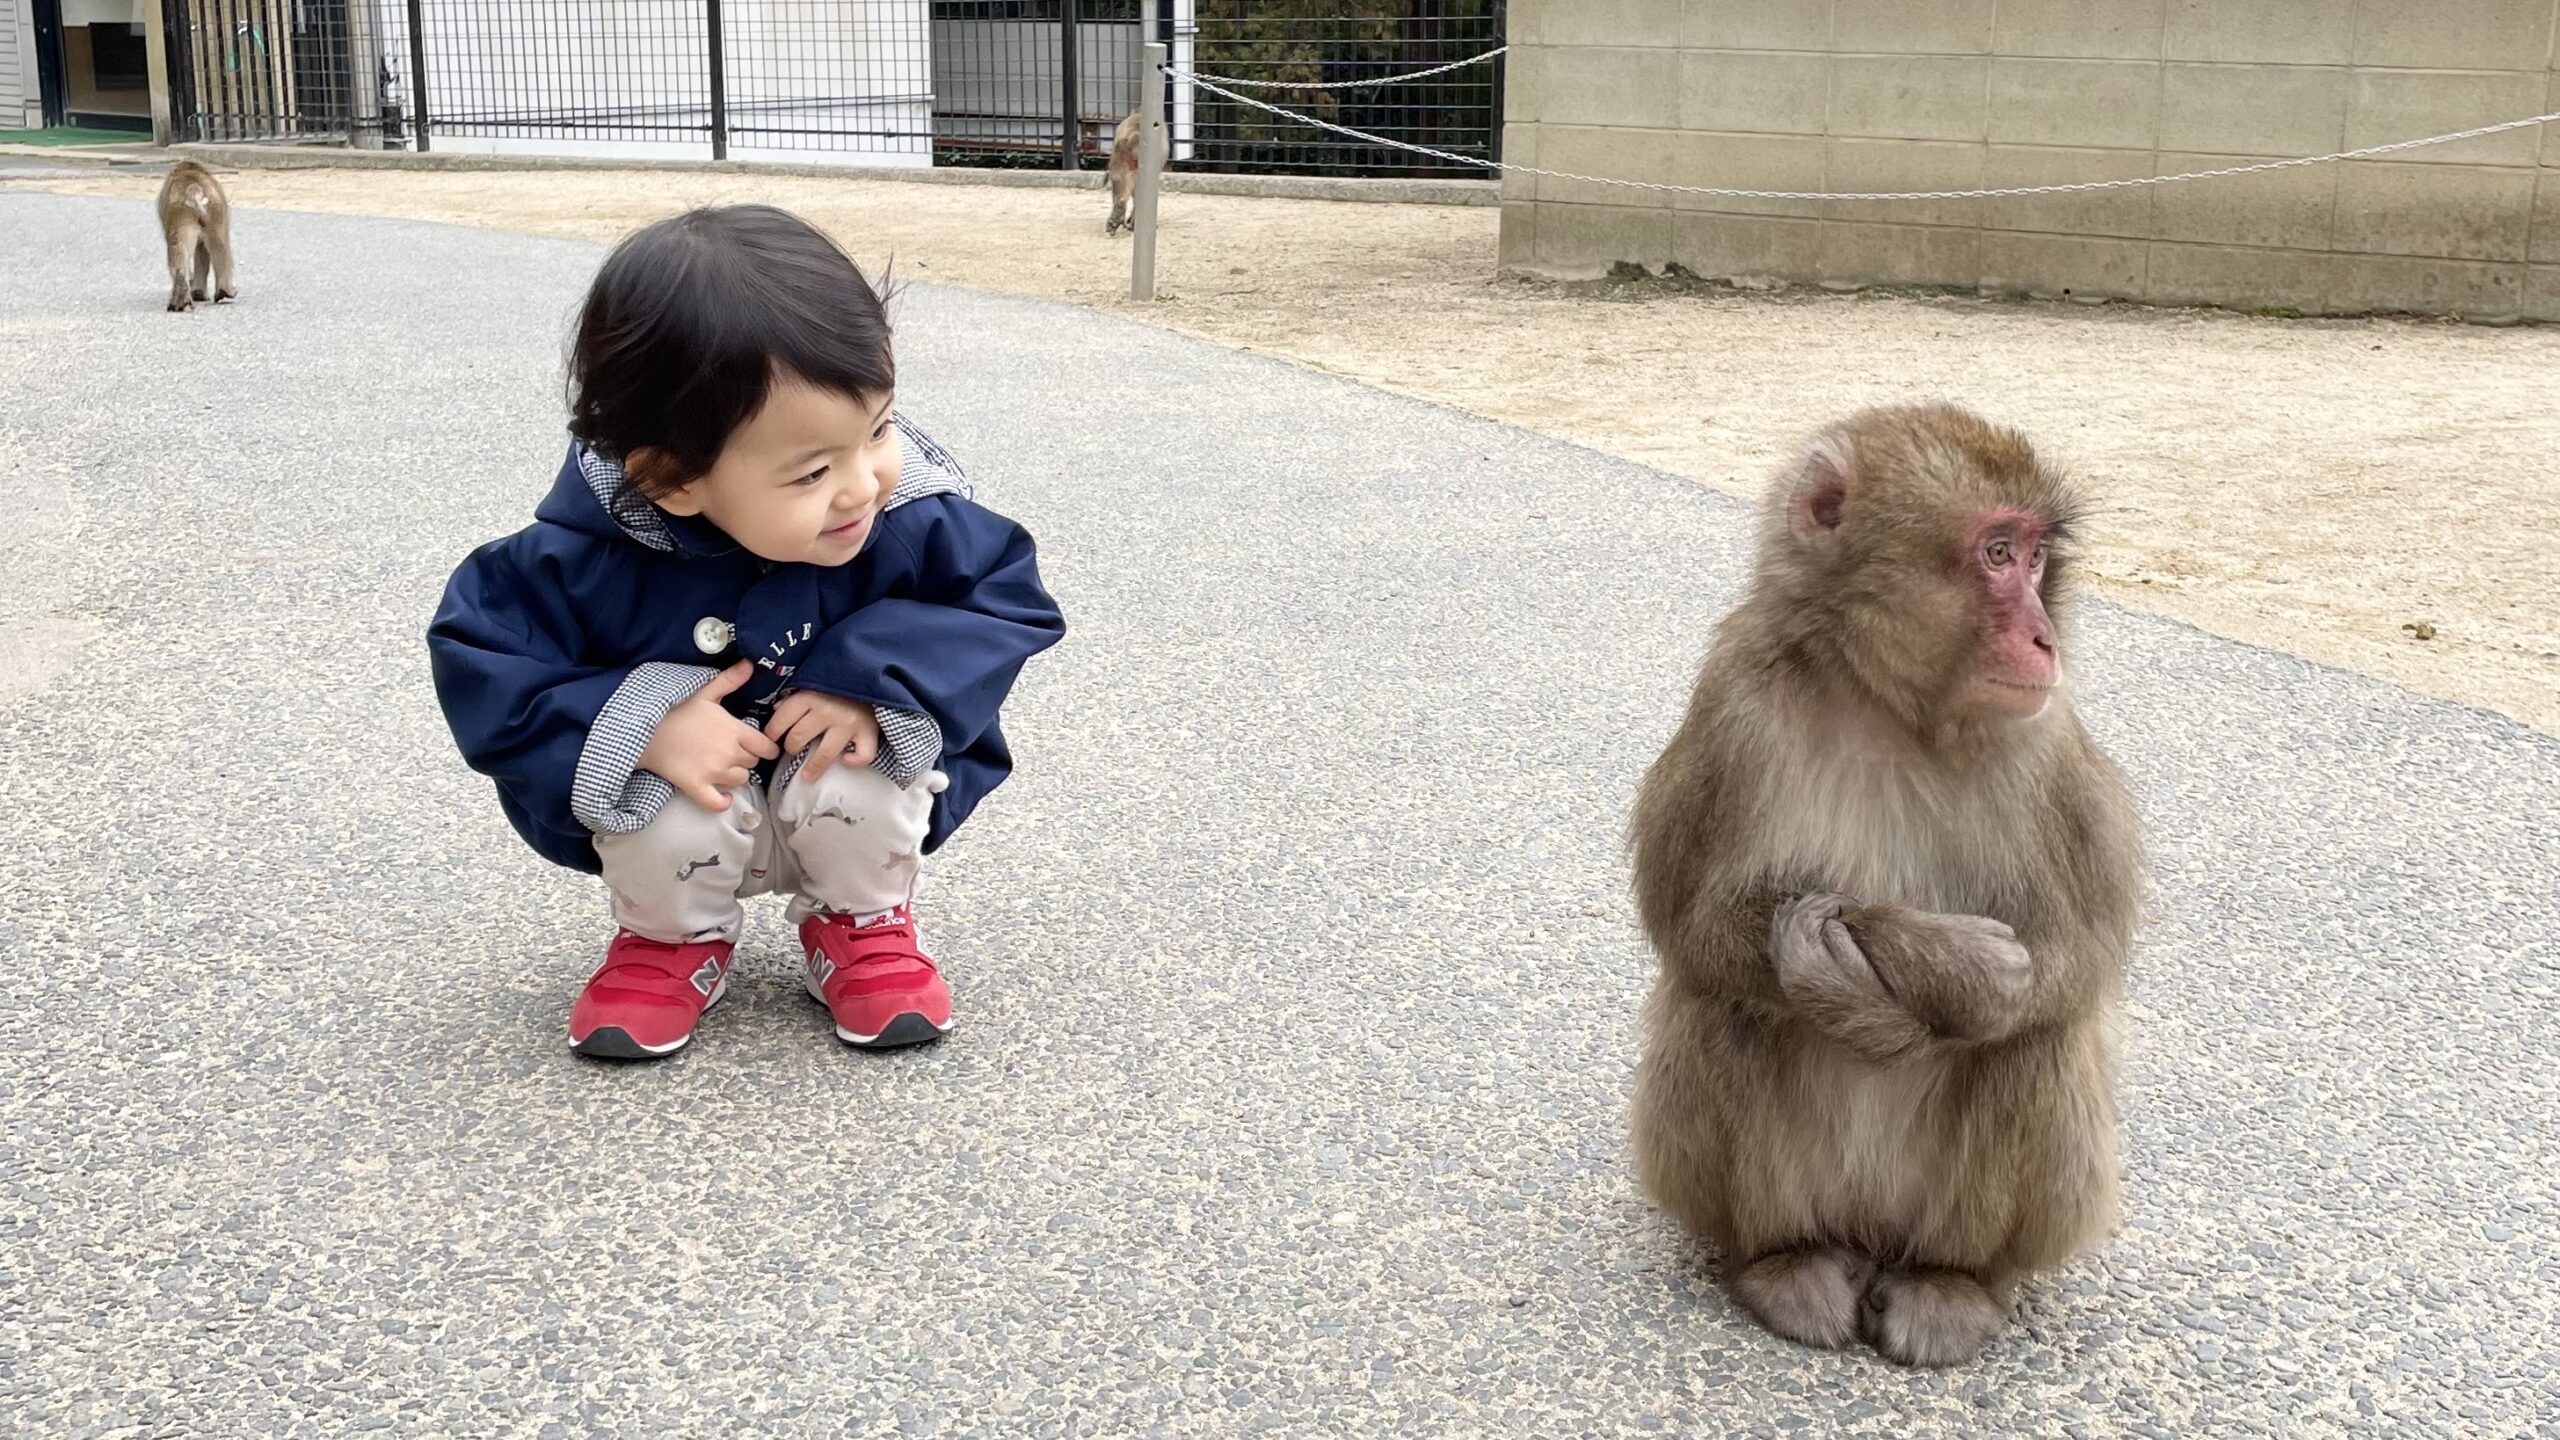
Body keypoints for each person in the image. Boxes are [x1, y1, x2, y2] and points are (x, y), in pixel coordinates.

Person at [428, 205, 1064, 1060]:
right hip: (689, 812)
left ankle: (862, 922)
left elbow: (1003, 597)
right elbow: (483, 658)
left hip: (836, 798)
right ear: (674, 480)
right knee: (660, 800)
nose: (861, 486)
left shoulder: (911, 523)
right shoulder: (572, 562)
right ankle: (669, 942)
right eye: (811, 470)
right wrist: (639, 725)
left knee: (866, 771)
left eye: (877, 431)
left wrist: (874, 680)